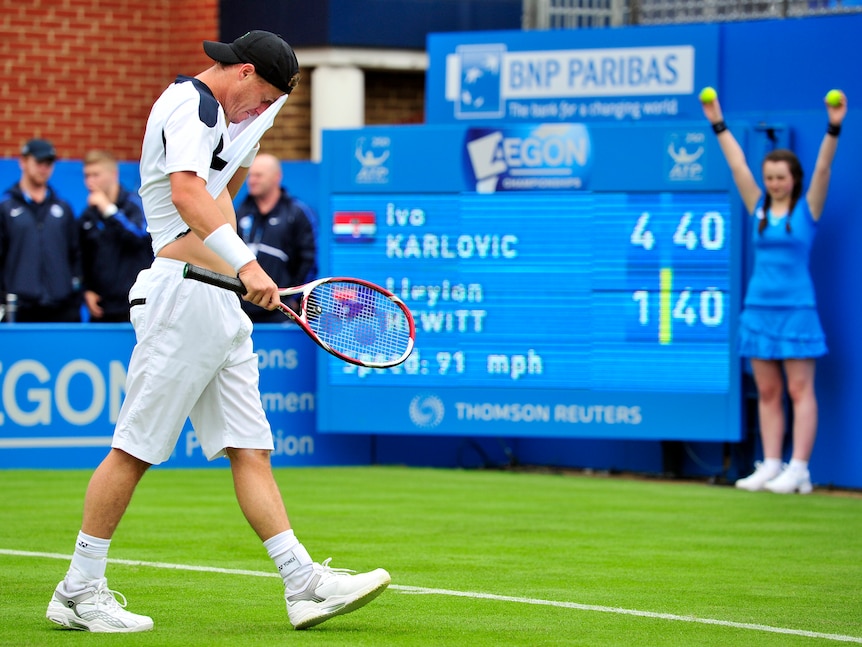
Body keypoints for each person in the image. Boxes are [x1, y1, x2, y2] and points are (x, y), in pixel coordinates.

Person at [46, 30, 390, 633]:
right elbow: (185, 195)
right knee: (135, 449)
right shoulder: (189, 104)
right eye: (261, 98)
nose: (261, 113)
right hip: (180, 296)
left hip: (218, 305)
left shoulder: (240, 119)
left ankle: (302, 582)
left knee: (249, 447)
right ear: (243, 70)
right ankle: (79, 590)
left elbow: (221, 196)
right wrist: (249, 264)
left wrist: (236, 273)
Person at [701, 92, 847, 494]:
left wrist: (834, 125)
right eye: (769, 178)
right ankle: (770, 464)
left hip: (797, 311)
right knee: (767, 391)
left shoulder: (808, 209)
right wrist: (718, 121)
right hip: (758, 311)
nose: (774, 183)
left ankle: (799, 468)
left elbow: (823, 166)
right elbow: (736, 164)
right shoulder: (758, 206)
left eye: (781, 177)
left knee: (800, 390)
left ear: (793, 179)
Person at [0, 138, 81, 322]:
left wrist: (74, 294)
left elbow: (75, 254)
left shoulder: (63, 208)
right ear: (23, 162)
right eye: (39, 162)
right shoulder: (5, 208)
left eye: (49, 163)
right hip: (20, 309)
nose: (44, 168)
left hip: (61, 308)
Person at [236, 153, 317, 321]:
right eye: (250, 175)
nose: (252, 180)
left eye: (258, 176)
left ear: (276, 177)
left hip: (280, 310)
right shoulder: (240, 212)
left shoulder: (297, 212)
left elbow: (309, 260)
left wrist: (293, 299)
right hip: (242, 309)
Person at [79, 150, 153, 322]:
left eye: (96, 175)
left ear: (113, 174)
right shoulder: (88, 214)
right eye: (87, 176)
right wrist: (87, 289)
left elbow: (139, 238)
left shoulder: (135, 205)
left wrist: (109, 211)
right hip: (102, 308)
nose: (90, 181)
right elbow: (83, 256)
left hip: (135, 304)